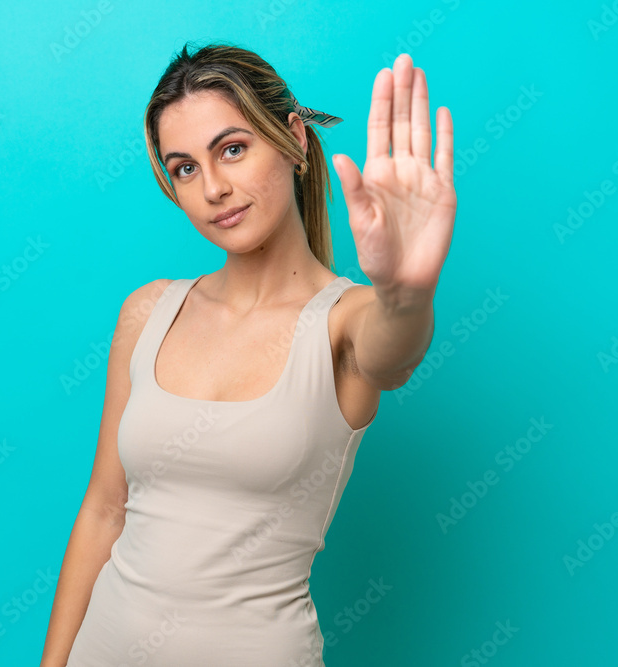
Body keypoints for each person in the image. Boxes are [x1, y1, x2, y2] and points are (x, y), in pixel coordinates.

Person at [40, 41, 456, 666]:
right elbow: (104, 508)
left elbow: (394, 353)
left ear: (293, 140)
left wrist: (406, 292)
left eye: (232, 149)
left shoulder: (343, 323)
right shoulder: (148, 312)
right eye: (184, 168)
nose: (212, 188)